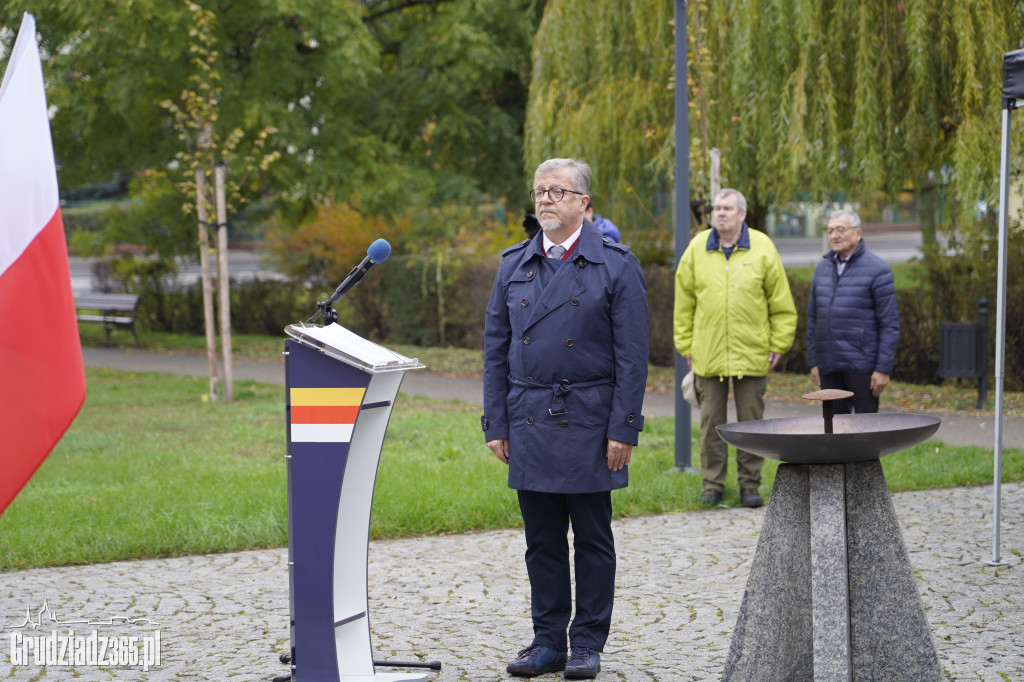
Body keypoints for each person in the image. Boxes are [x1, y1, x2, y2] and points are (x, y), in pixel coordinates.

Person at [482, 158, 649, 679]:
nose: (546, 200)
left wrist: (623, 427)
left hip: (591, 419)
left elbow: (633, 355)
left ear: (585, 203)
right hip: (530, 416)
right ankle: (547, 640)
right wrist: (496, 422)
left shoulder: (616, 264)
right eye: (538, 192)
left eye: (557, 191)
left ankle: (587, 642)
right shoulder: (514, 263)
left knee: (593, 539)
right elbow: (494, 349)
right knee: (542, 540)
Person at [673, 188, 796, 509]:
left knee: (752, 425)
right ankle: (712, 485)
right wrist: (686, 344)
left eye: (727, 208)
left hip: (753, 352)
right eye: (716, 208)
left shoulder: (763, 247)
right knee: (711, 423)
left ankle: (749, 486)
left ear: (742, 213)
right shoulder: (697, 248)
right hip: (708, 354)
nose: (720, 213)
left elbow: (781, 303)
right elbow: (683, 303)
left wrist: (779, 343)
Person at [807, 209, 899, 413]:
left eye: (840, 229)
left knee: (864, 434)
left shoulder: (878, 270)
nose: (834, 235)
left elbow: (889, 324)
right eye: (830, 231)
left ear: (858, 233)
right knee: (833, 430)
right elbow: (814, 319)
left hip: (863, 367)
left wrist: (883, 369)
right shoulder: (822, 269)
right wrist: (814, 361)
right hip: (829, 365)